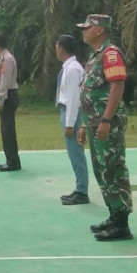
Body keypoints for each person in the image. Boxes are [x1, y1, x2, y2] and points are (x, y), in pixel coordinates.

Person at [76, 14, 133, 241]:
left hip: (107, 125)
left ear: (99, 30)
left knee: (113, 169)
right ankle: (113, 214)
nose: (83, 31)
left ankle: (122, 224)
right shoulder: (95, 56)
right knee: (102, 170)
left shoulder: (110, 54)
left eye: (87, 27)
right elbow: (89, 94)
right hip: (94, 123)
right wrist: (83, 124)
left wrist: (106, 120)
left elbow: (117, 86)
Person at [55, 35, 89, 205]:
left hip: (72, 115)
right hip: (67, 112)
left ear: (61, 48)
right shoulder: (69, 68)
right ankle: (79, 188)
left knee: (76, 153)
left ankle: (82, 191)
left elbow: (74, 99)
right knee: (73, 153)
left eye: (56, 46)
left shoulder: (73, 69)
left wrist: (69, 124)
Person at [0, 31, 20, 172]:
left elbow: (5, 81)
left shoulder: (6, 59)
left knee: (8, 130)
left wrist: (1, 99)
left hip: (8, 96)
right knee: (5, 129)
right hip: (6, 95)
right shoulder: (2, 58)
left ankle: (13, 161)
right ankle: (10, 159)